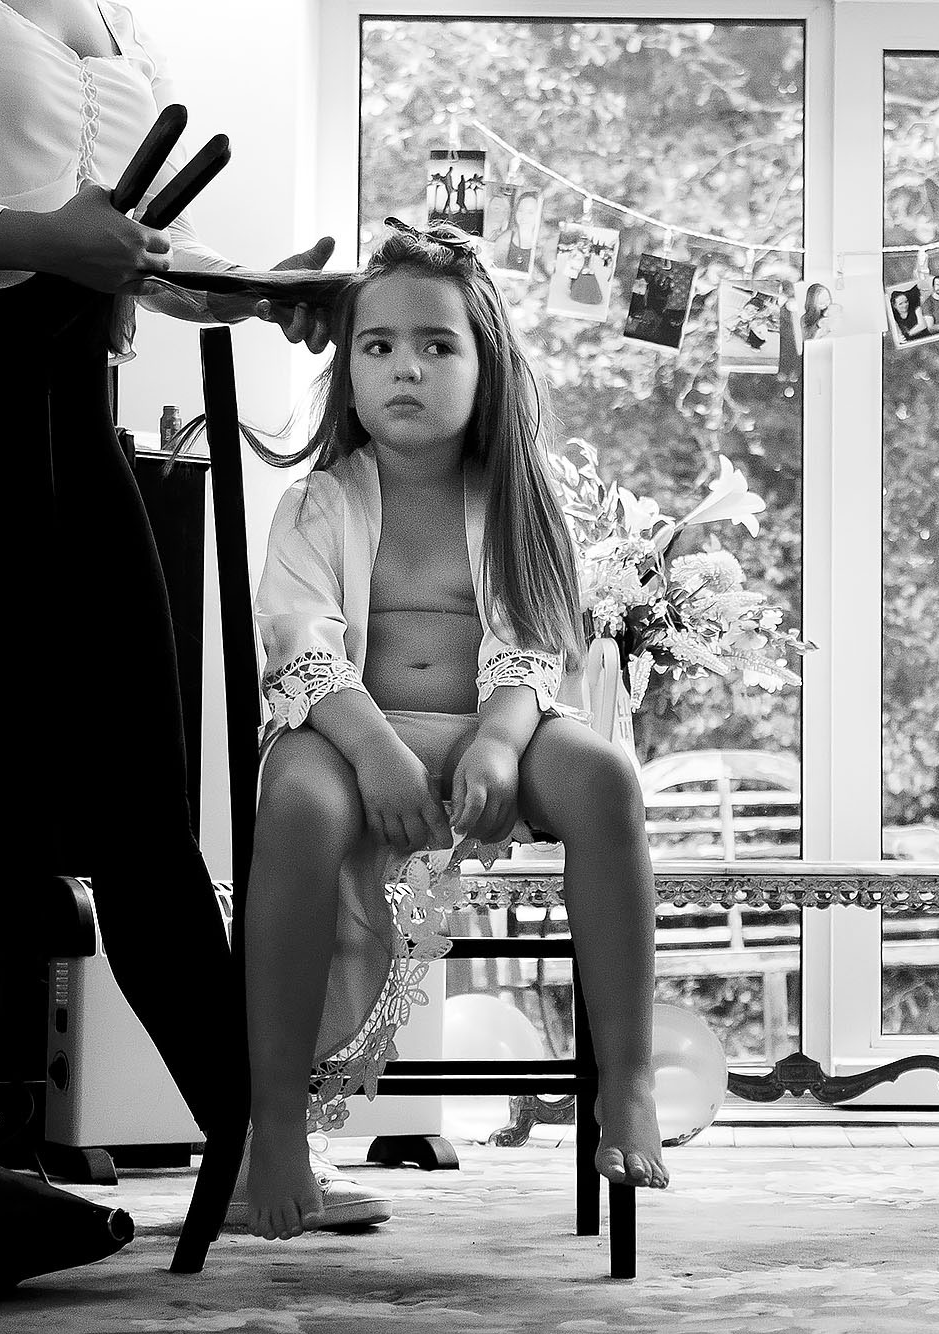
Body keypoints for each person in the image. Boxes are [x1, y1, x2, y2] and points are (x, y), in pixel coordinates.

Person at [0, 0, 383, 1219]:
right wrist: (37, 235)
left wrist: (254, 293)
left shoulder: (116, 17)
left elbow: (125, 250)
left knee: (142, 801)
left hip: (59, 388)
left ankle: (258, 1146)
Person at [239, 218, 669, 1241]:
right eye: (377, 346)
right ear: (347, 371)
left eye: (438, 345)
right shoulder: (318, 504)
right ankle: (276, 1119)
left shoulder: (518, 503)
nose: (405, 367)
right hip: (345, 728)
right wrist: (376, 747)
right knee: (295, 803)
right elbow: (302, 648)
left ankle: (629, 1074)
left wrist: (496, 740)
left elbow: (532, 649)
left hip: (487, 726)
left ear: (488, 367)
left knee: (604, 774)